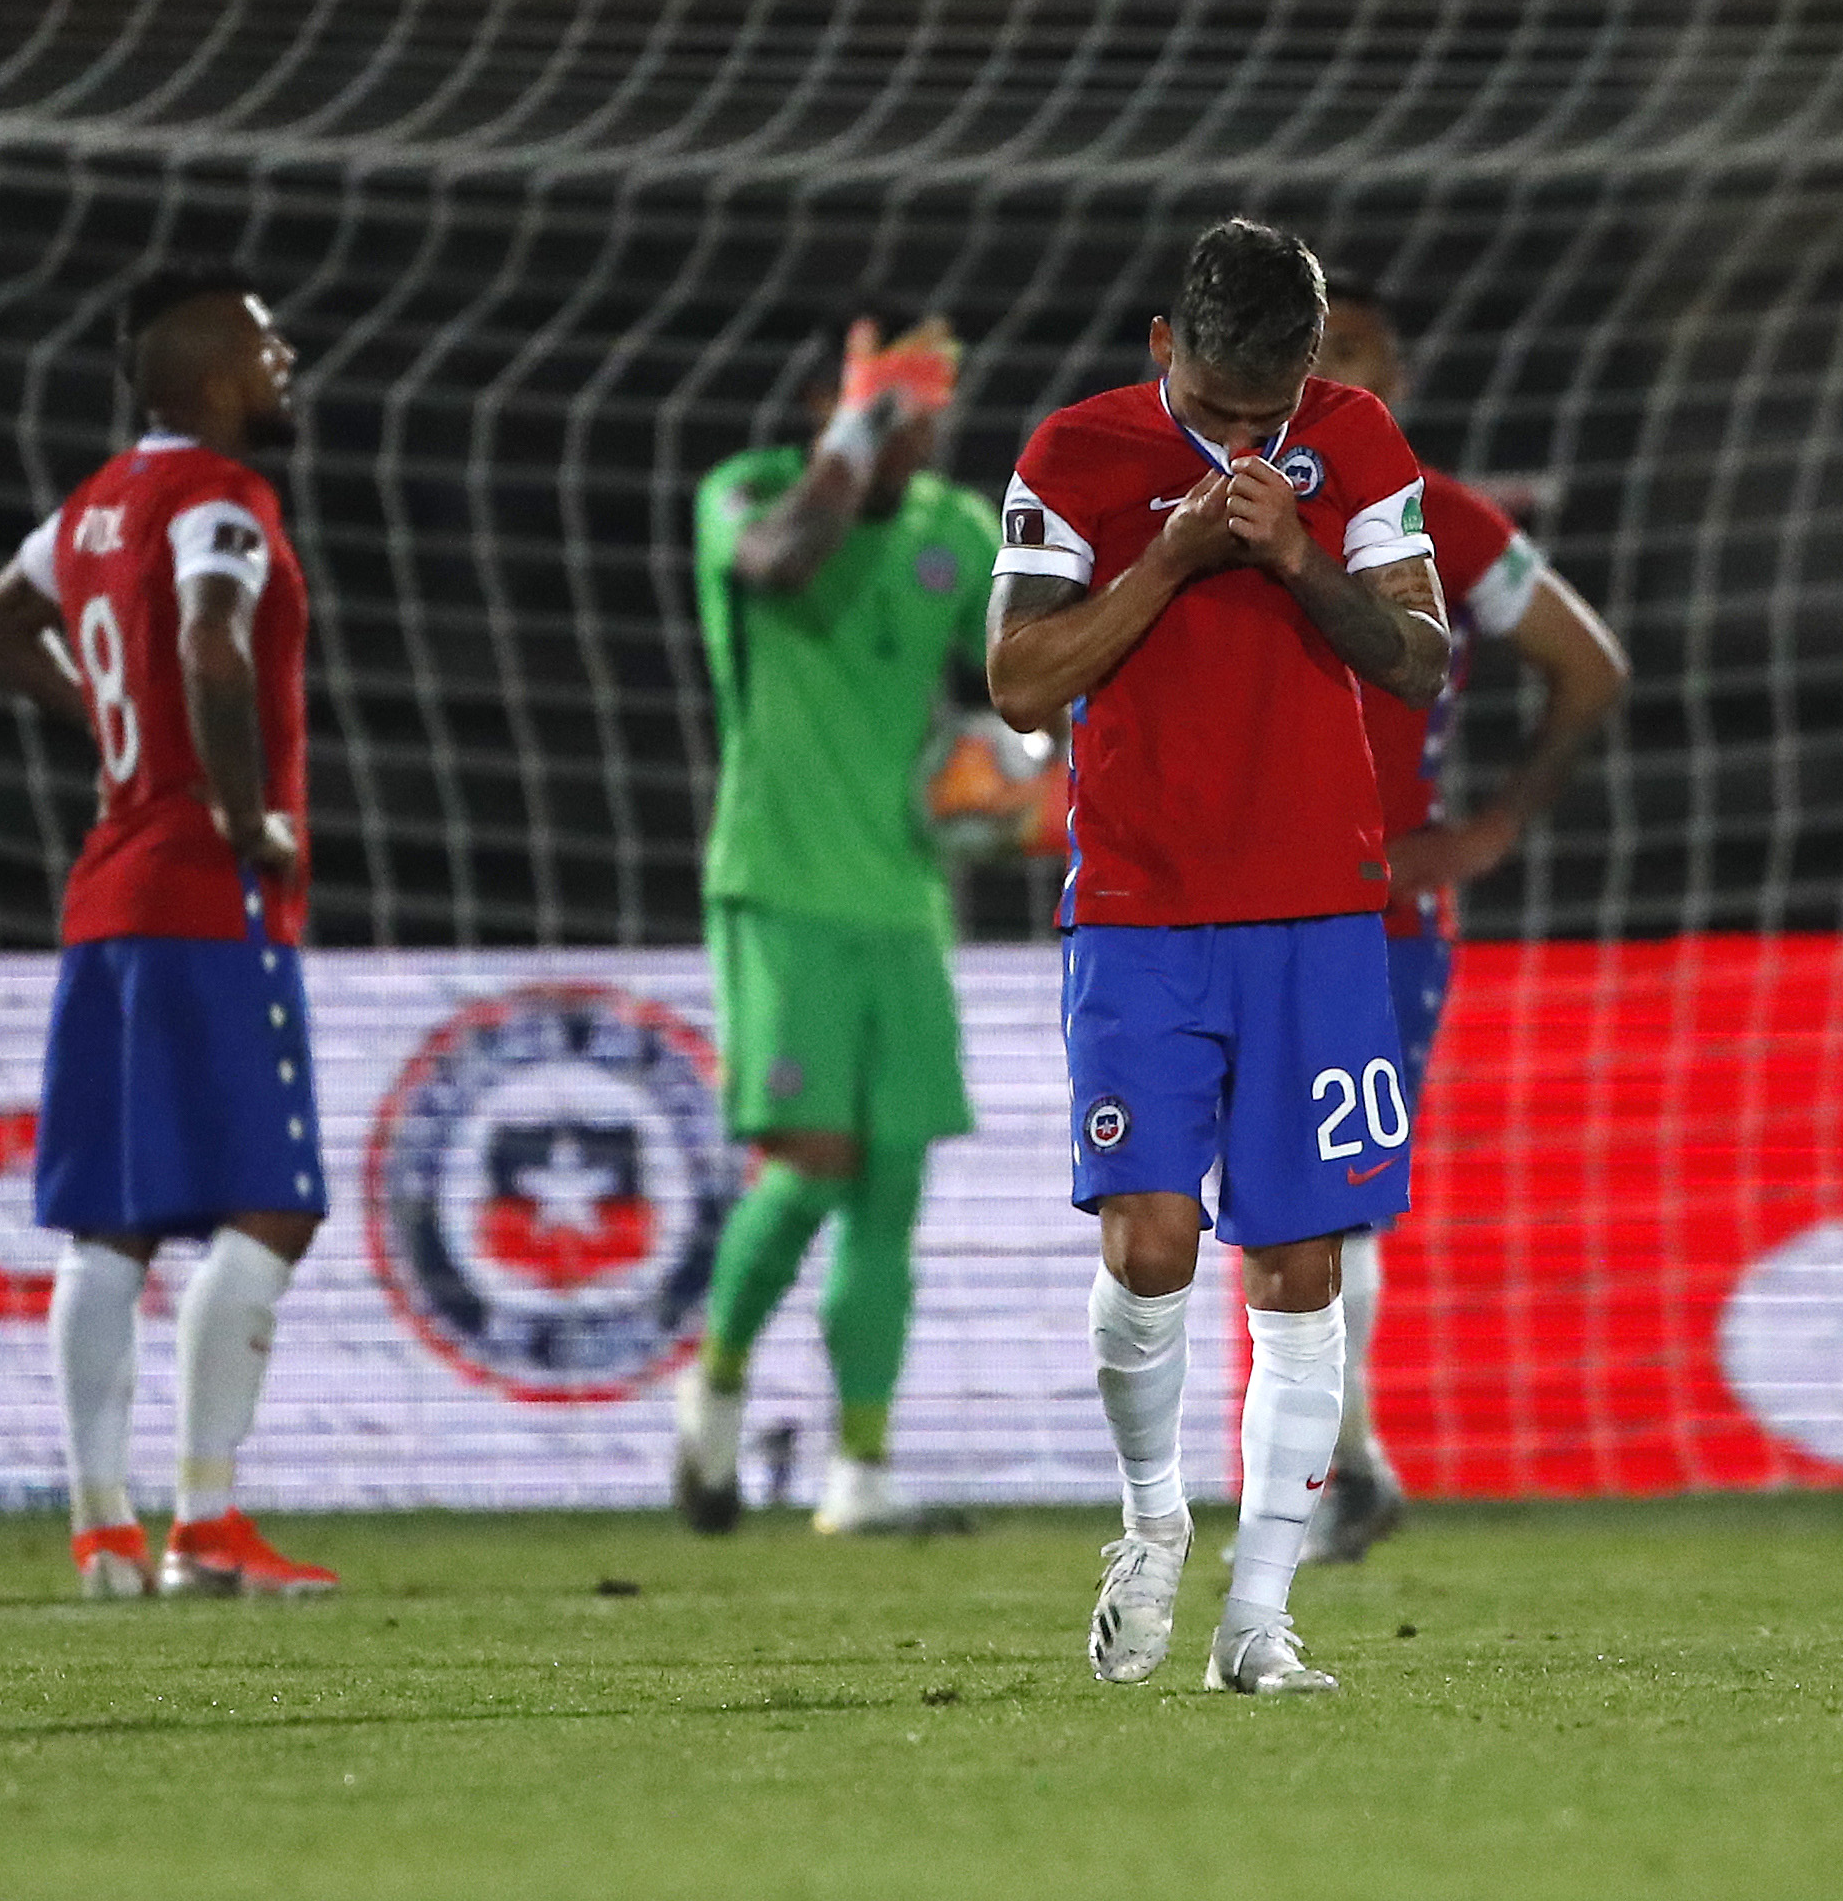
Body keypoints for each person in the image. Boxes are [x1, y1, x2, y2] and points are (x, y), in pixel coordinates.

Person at [987, 218, 1450, 1697]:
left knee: (1302, 1268)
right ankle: (1150, 1523)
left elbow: (1420, 658)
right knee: (1150, 1241)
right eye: (1215, 406)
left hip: (1320, 915)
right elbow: (1017, 681)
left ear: (1309, 374)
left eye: (1270, 413)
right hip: (1141, 909)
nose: (1245, 436)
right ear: (1159, 347)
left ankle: (1258, 1623)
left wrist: (1300, 557)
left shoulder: (1357, 440)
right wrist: (1174, 558)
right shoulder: (1078, 454)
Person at [0, 266, 335, 1600]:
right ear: (208, 371)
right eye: (265, 340)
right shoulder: (222, 498)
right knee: (274, 1200)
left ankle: (102, 1530)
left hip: (108, 893)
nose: (284, 358)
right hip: (206, 893)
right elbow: (214, 642)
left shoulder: (95, 507)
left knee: (111, 1224)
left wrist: (117, 728)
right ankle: (208, 1526)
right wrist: (241, 810)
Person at [1304, 278, 1630, 1563]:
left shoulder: (1447, 520)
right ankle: (1341, 1462)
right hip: (1233, 901)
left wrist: (1490, 829)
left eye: (1363, 355)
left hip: (1380, 912)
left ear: (1400, 385)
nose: (1342, 374)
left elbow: (1591, 665)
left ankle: (1342, 1467)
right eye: (1321, 351)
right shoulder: (1229, 511)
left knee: (1336, 1188)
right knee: (1256, 1197)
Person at [667, 312, 999, 1537]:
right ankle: (714, 1387)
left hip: (904, 899)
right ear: (831, 405)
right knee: (811, 1165)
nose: (927, 434)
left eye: (934, 411)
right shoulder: (748, 494)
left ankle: (859, 1470)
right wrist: (856, 440)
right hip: (781, 886)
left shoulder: (955, 530)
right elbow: (776, 563)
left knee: (891, 1187)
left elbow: (1019, 671)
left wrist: (1021, 774)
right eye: (902, 408)